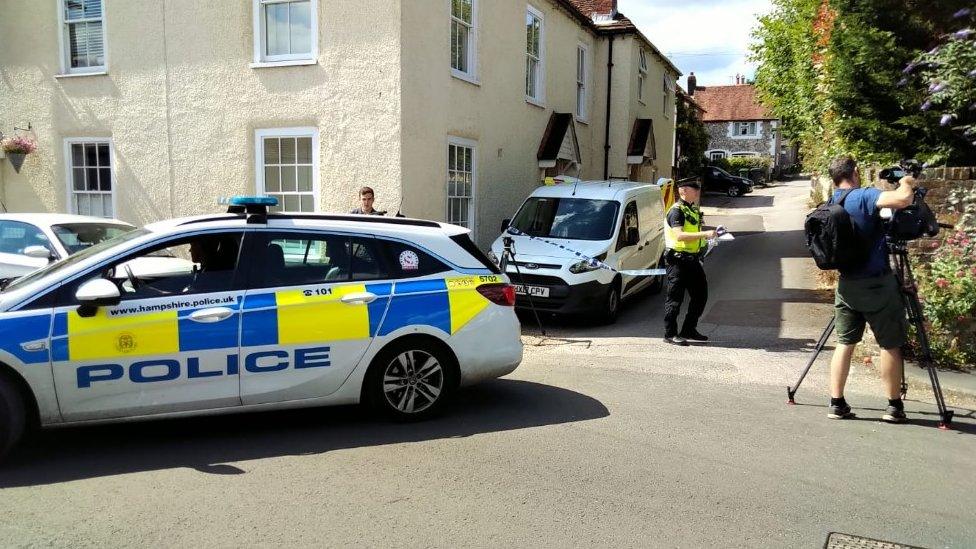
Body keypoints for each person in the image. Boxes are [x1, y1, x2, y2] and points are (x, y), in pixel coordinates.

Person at [825, 156, 916, 423]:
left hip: (846, 284)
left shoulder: (833, 202)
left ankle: (836, 402)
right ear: (855, 172)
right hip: (876, 283)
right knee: (890, 344)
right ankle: (893, 406)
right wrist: (907, 181)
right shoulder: (864, 196)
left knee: (844, 343)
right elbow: (901, 200)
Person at [663, 179, 716, 346]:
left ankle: (688, 329)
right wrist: (705, 235)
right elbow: (679, 235)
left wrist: (708, 242)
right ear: (683, 191)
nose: (697, 191)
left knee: (701, 295)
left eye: (697, 189)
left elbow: (694, 234)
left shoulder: (692, 210)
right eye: (694, 189)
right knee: (675, 300)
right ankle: (670, 334)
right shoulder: (676, 211)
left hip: (692, 260)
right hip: (677, 261)